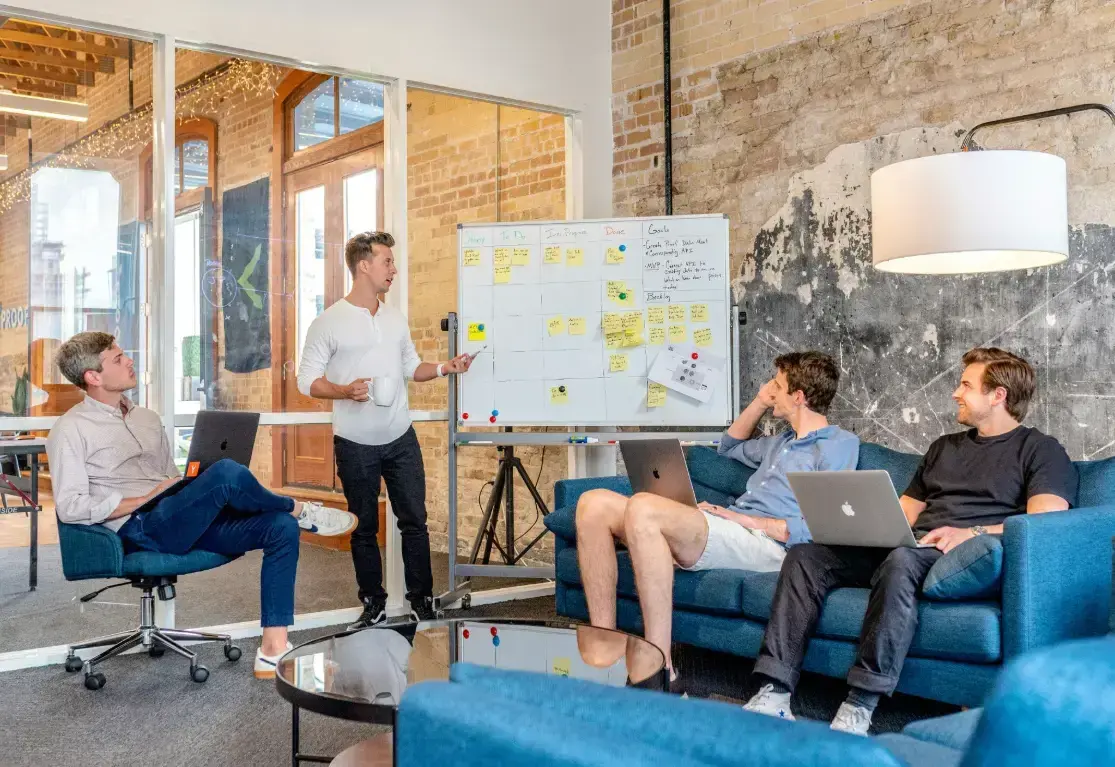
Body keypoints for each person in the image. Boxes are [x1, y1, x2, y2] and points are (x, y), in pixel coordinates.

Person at [744, 347, 1077, 734]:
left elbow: (1046, 520)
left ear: (997, 395)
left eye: (966, 384)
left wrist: (972, 532)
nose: (956, 392)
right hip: (912, 546)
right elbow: (903, 513)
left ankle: (860, 703)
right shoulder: (944, 447)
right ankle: (774, 691)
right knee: (806, 556)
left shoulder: (1040, 449)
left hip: (963, 554)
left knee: (900, 560)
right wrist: (859, 528)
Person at [46, 332, 356, 680]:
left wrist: (188, 485)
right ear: (93, 377)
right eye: (118, 359)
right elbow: (71, 507)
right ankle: (298, 509)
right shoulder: (70, 429)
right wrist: (144, 498)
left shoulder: (146, 418)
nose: (129, 361)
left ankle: (272, 649)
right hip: (139, 528)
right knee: (226, 474)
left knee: (278, 527)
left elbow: (170, 477)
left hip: (175, 516)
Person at [575, 351, 859, 685]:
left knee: (643, 507)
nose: (770, 389)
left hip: (767, 546)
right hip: (731, 529)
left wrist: (747, 522)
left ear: (798, 397)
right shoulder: (779, 443)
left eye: (777, 386)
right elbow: (728, 446)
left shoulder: (838, 445)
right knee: (592, 504)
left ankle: (660, 665)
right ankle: (606, 640)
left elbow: (822, 526)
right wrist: (758, 402)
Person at [297, 231, 473, 628]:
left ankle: (421, 600)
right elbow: (306, 381)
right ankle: (373, 603)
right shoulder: (329, 322)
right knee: (363, 524)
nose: (393, 269)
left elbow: (412, 367)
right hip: (355, 442)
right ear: (364, 265)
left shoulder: (394, 319)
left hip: (400, 437)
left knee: (414, 520)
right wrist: (344, 390)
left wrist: (446, 367)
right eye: (387, 261)